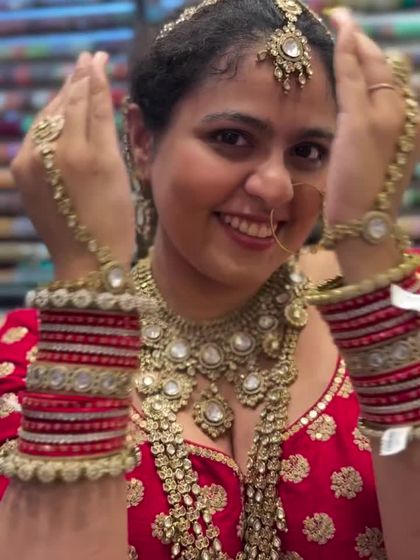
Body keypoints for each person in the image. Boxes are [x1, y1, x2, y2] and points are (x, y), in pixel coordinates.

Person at [0, 0, 419, 559]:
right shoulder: (32, 360)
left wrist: (369, 242)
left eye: (308, 151)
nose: (275, 187)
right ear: (142, 141)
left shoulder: (395, 303)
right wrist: (87, 287)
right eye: (231, 138)